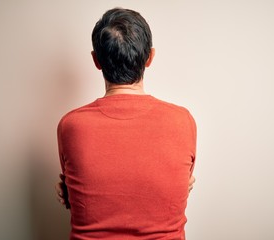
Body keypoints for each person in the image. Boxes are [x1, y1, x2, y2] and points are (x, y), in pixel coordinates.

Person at [56, 8, 197, 239]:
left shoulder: (70, 126)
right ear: (150, 57)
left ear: (96, 61)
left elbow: (81, 197)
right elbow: (176, 189)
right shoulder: (183, 121)